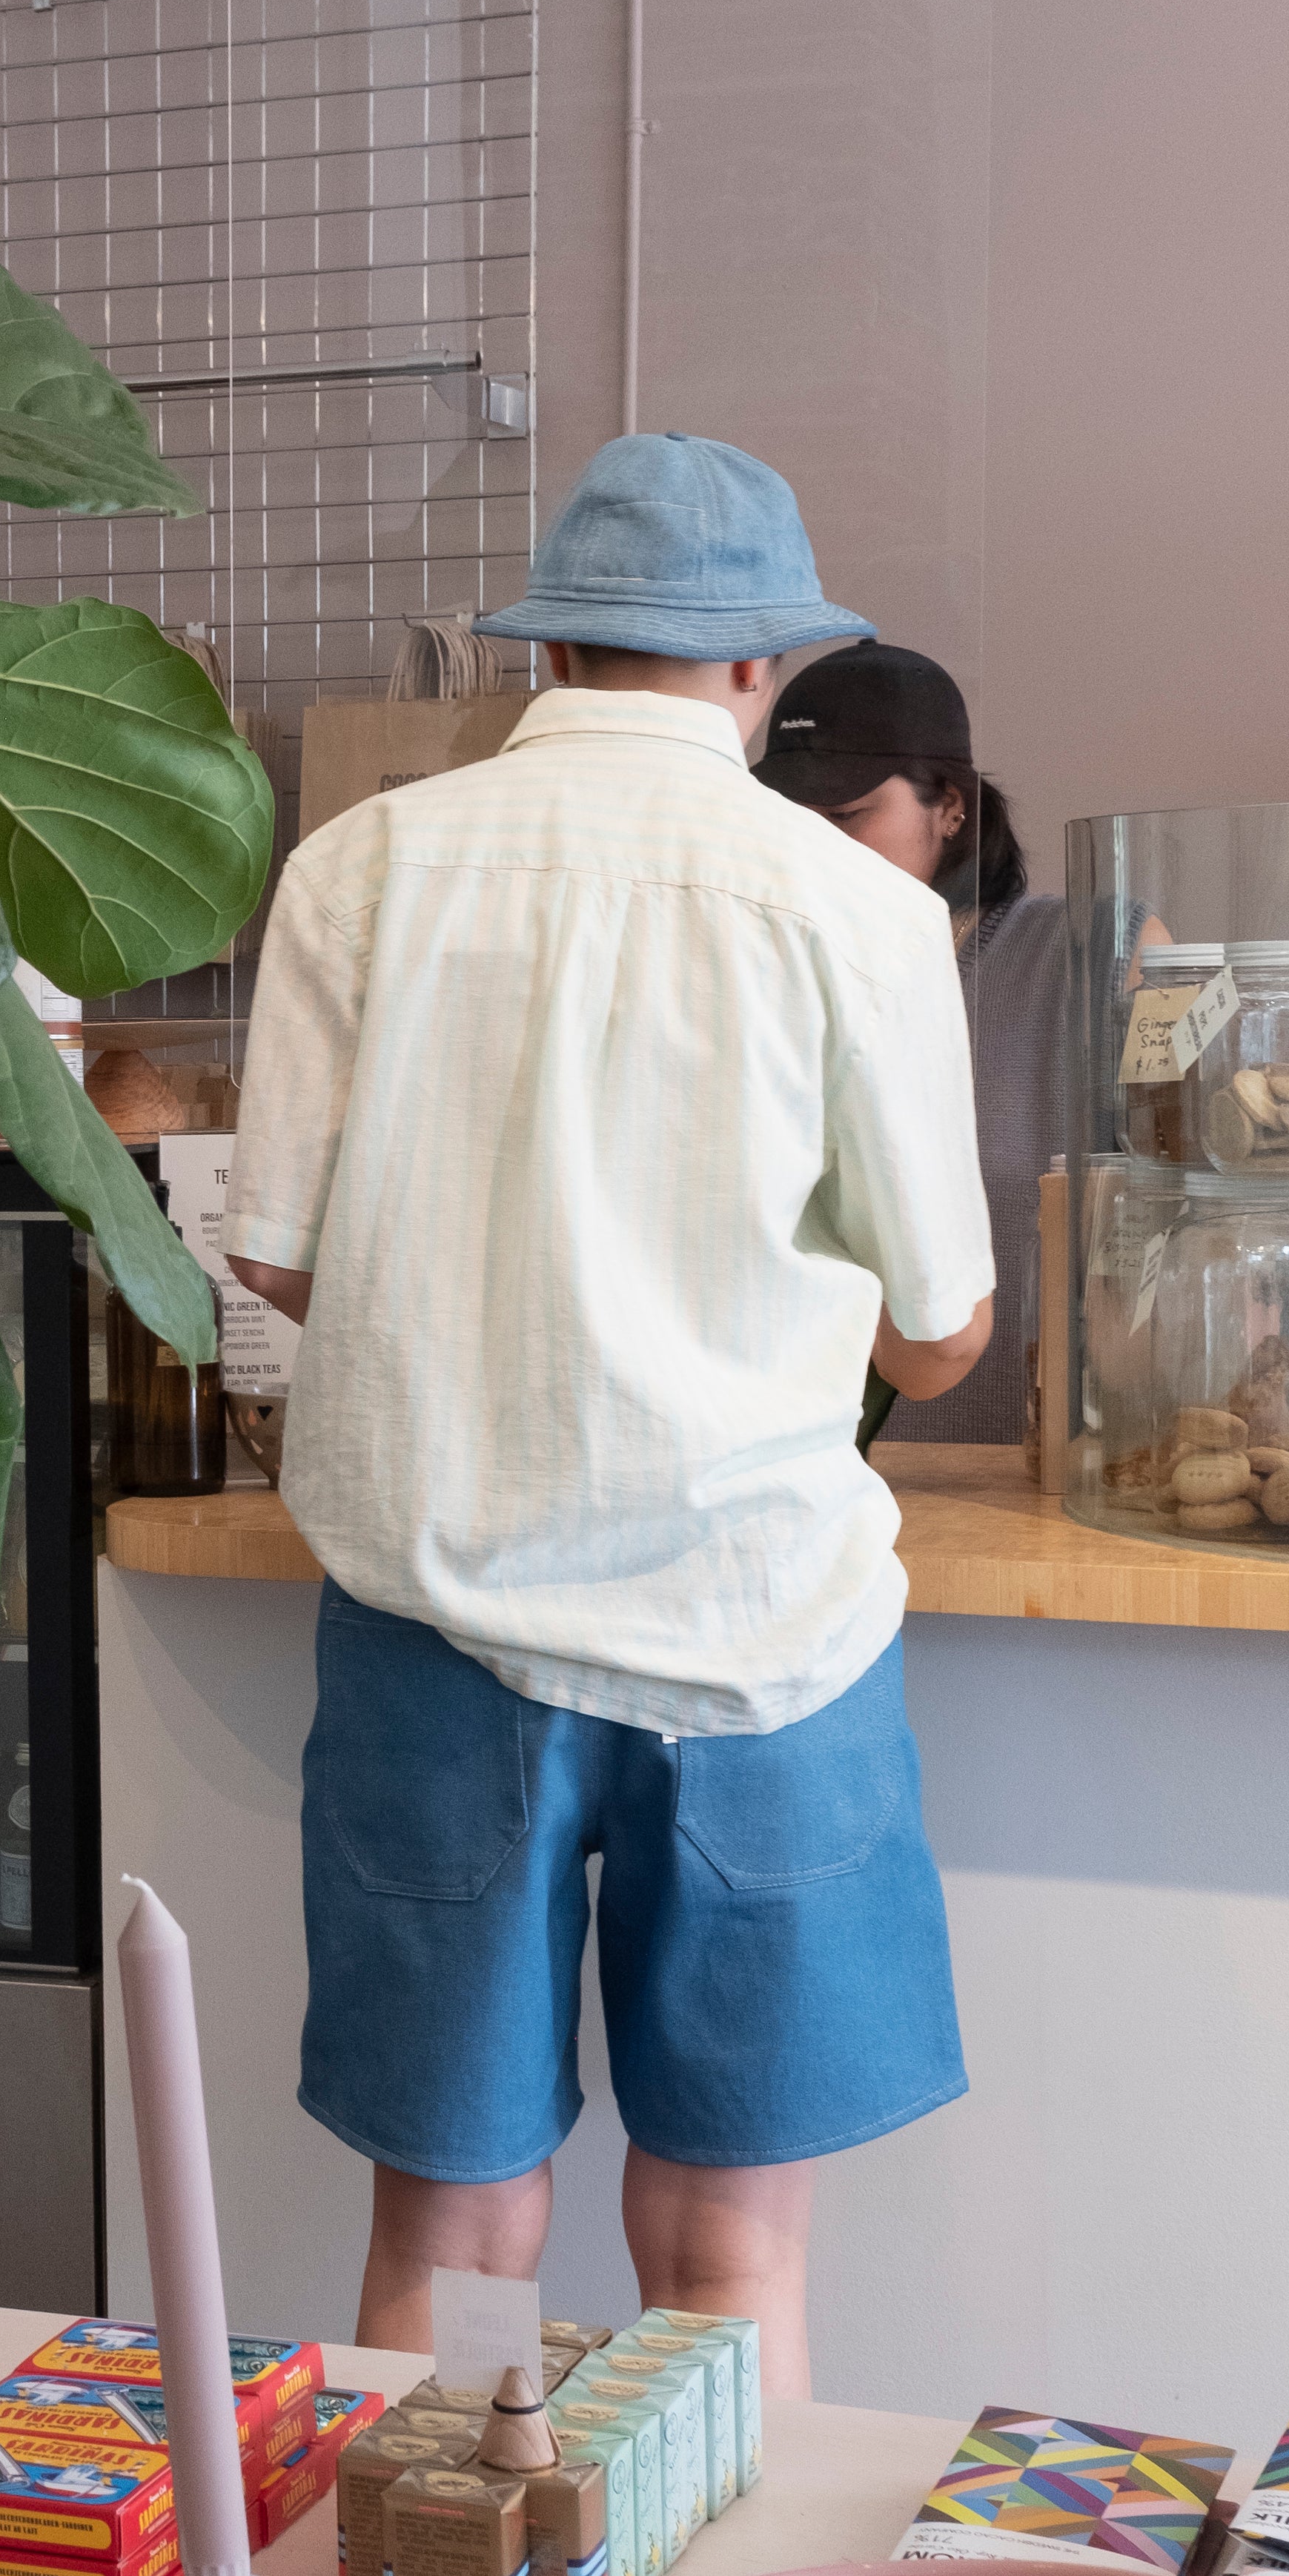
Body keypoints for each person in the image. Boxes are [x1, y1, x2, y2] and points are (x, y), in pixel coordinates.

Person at [222, 433, 994, 2394]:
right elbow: (940, 1336)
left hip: (439, 1632)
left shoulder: (363, 870)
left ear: (555, 645)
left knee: (463, 2215)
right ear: (759, 668)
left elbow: (285, 1262)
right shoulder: (862, 916)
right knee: (725, 2234)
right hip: (760, 1638)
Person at [753, 640, 1162, 1448]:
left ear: (951, 806)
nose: (813, 850)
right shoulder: (758, 969)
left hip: (1038, 1478)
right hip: (812, 1480)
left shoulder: (1101, 954)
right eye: (788, 821)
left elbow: (1184, 1207)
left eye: (844, 817)